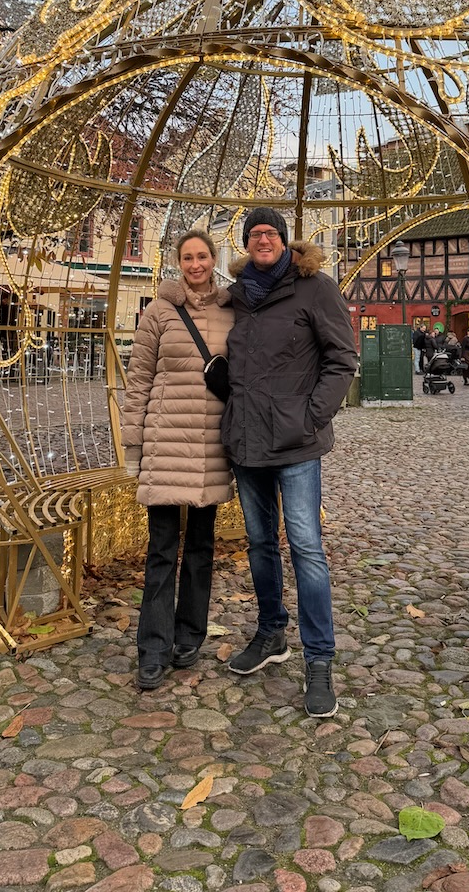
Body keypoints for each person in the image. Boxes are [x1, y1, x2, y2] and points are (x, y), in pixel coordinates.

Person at [221, 207, 357, 718]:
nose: (263, 240)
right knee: (259, 544)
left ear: (284, 240)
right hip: (247, 441)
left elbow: (342, 358)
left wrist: (311, 416)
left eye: (271, 233)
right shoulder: (237, 296)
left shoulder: (314, 287)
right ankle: (271, 632)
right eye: (254, 234)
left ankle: (319, 658)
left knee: (306, 547)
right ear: (246, 243)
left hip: (296, 443)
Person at [122, 230, 234, 691]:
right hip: (166, 444)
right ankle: (152, 648)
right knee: (162, 550)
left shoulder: (231, 311)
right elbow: (138, 379)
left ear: (213, 259)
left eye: (202, 256)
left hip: (210, 446)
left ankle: (189, 636)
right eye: (187, 257)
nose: (195, 264)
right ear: (178, 262)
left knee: (201, 550)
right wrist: (133, 446)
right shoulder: (159, 311)